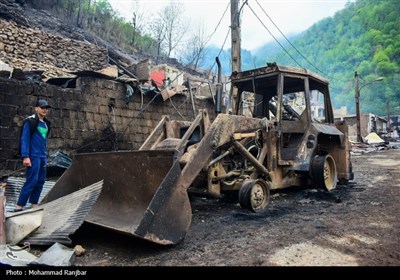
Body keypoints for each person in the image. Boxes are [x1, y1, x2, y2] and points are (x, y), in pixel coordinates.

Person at [14, 99, 52, 212]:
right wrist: (25, 156)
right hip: (33, 156)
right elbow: (24, 139)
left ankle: (34, 203)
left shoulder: (46, 123)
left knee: (40, 181)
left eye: (46, 108)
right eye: (42, 107)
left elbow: (43, 140)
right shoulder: (30, 121)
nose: (44, 110)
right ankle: (19, 206)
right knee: (32, 181)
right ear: (36, 108)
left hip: (42, 156)